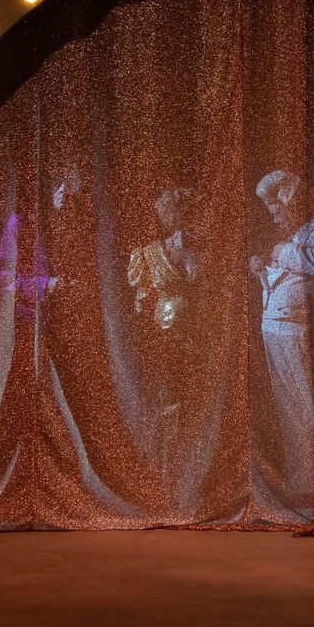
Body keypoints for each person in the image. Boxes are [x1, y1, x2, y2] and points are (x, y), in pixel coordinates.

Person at [249, 169, 314, 523]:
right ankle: (302, 481)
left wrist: (282, 254)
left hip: (299, 332)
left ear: (291, 200)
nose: (274, 216)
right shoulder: (294, 236)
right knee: (288, 406)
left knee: (310, 402)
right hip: (275, 328)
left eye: (276, 208)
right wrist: (263, 267)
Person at [127, 187, 202, 491]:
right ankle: (166, 470)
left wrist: (189, 257)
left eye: (175, 211)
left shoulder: (196, 246)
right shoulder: (149, 253)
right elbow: (141, 299)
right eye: (165, 212)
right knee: (167, 393)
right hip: (164, 331)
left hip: (195, 328)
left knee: (192, 393)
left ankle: (187, 470)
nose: (169, 217)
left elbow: (202, 283)